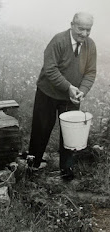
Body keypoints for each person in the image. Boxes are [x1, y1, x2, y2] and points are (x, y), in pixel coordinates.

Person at [28, 12, 97, 180]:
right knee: (41, 128)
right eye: (81, 29)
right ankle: (32, 166)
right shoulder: (58, 40)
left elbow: (90, 72)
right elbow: (50, 69)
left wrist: (82, 91)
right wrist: (69, 87)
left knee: (70, 133)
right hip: (48, 93)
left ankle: (66, 172)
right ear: (72, 24)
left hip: (71, 97)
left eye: (88, 30)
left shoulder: (90, 45)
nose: (85, 34)